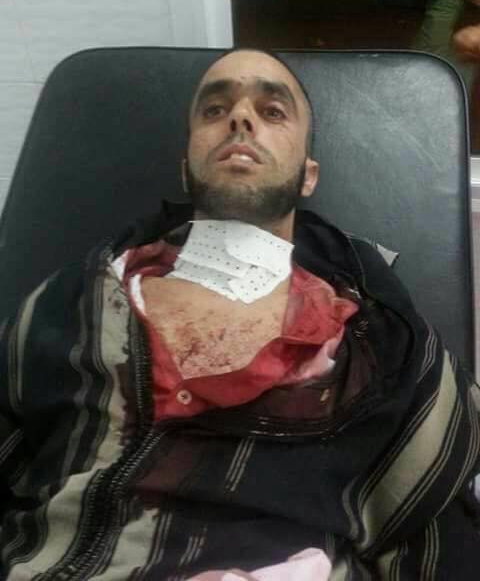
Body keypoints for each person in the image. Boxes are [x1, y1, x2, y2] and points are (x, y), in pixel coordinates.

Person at [0, 48, 479, 581]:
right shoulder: (71, 303)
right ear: (186, 168)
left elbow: (431, 517)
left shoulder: (375, 339)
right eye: (214, 110)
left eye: (273, 111)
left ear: (308, 176)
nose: (240, 118)